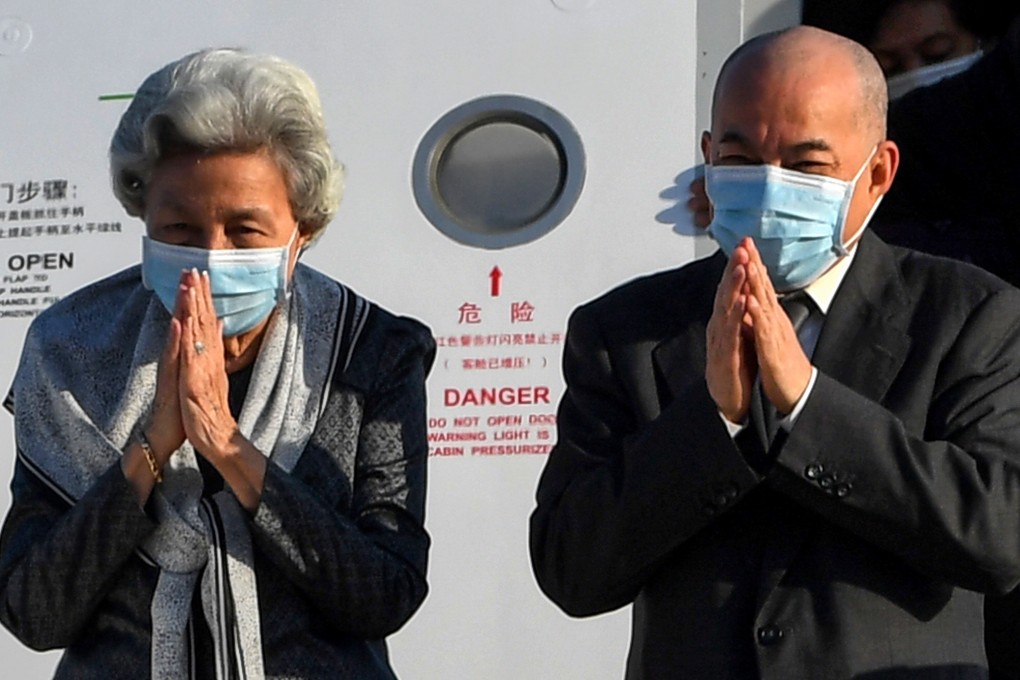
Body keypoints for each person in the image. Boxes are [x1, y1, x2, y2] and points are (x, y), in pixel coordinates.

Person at [530, 25, 1020, 679]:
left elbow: (997, 537)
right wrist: (714, 422)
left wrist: (807, 407)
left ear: (877, 173)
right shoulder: (627, 332)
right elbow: (571, 568)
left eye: (807, 166)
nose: (769, 186)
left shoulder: (968, 316)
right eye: (741, 161)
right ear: (707, 156)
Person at [0, 48, 434, 679]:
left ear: (301, 230)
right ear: (143, 215)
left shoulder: (371, 352)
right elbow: (33, 612)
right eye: (179, 228)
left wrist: (229, 448)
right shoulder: (70, 347)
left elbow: (385, 591)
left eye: (245, 230)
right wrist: (151, 448)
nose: (209, 255)